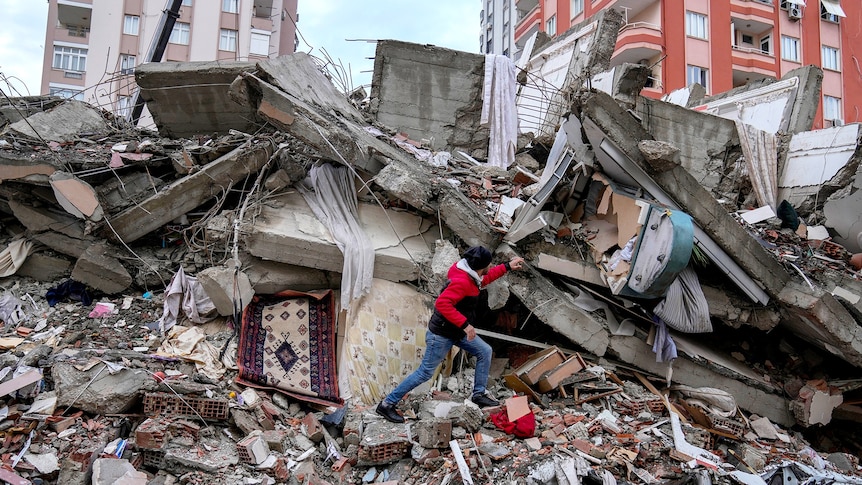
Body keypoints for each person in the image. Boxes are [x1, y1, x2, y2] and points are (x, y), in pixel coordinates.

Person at [376, 246, 525, 423]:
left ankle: (478, 394)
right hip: (441, 334)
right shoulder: (462, 282)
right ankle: (386, 404)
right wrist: (466, 325)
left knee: (484, 351)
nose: (491, 265)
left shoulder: (467, 272)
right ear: (481, 266)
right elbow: (442, 304)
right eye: (489, 263)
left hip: (455, 331)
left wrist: (507, 266)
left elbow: (483, 280)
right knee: (425, 373)